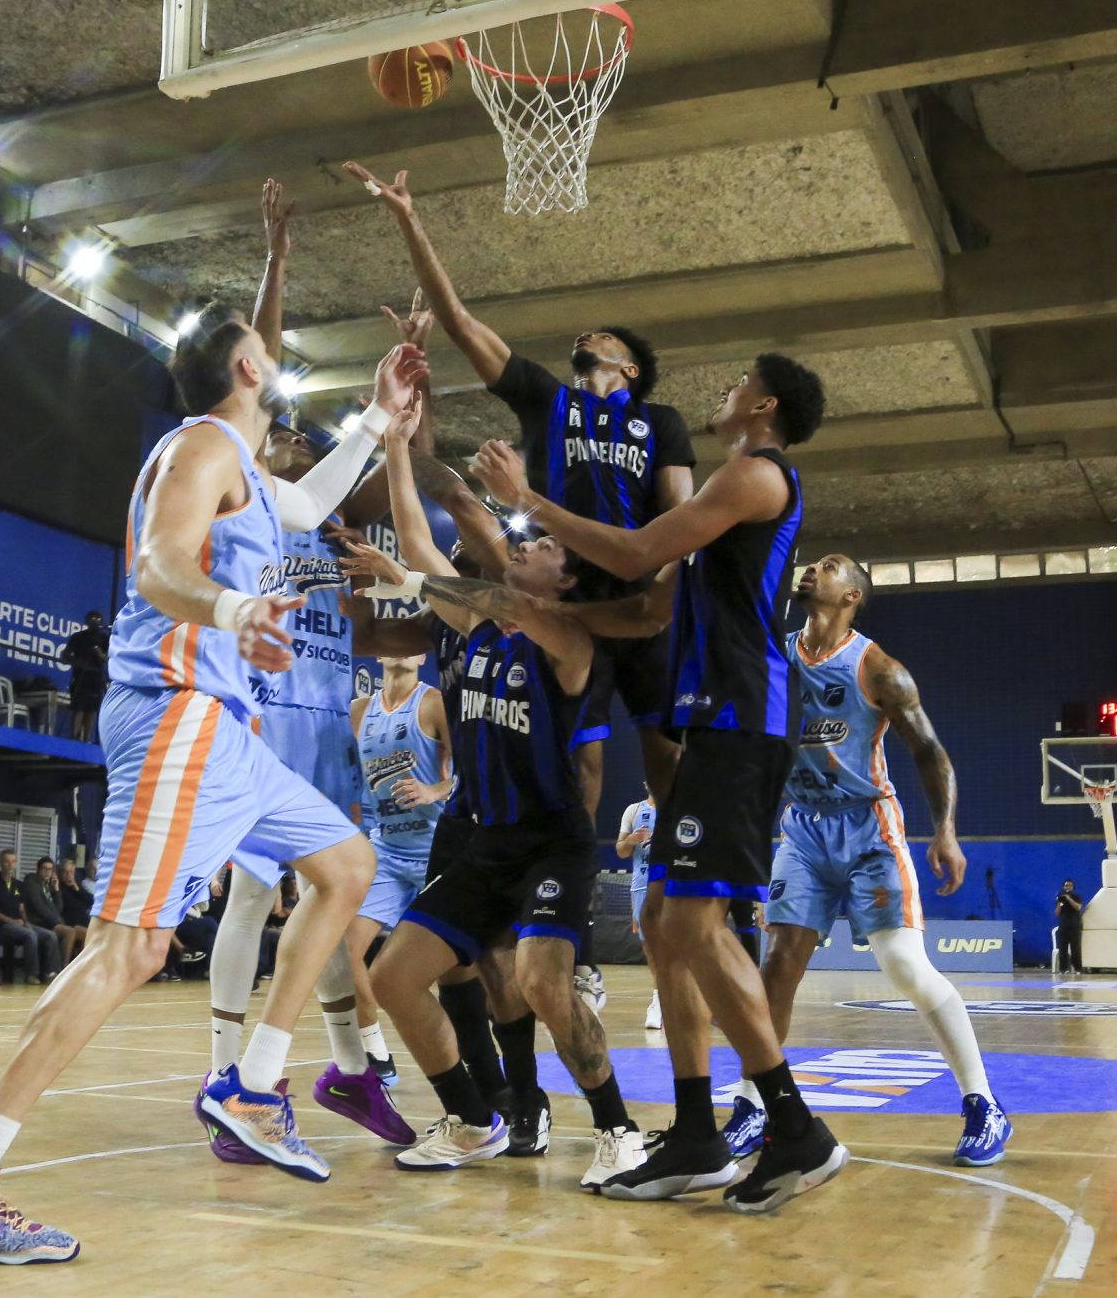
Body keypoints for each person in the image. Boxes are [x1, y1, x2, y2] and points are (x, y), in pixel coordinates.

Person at [0, 275, 421, 1264]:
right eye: (268, 348)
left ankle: (251, 1084)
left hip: (228, 734)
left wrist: (374, 422)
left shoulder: (253, 477)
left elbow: (306, 502)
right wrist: (232, 611)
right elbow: (155, 567)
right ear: (246, 366)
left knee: (346, 869)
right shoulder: (201, 446)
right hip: (179, 718)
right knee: (127, 951)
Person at [473, 351, 842, 1214]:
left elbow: (639, 551)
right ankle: (695, 1131)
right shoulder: (724, 495)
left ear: (767, 404)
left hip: (745, 717)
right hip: (709, 716)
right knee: (659, 921)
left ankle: (794, 1128)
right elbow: (649, 608)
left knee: (687, 919)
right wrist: (550, 614)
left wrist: (527, 498)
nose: (724, 389)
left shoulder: (756, 473)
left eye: (738, 381)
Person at [345, 403, 643, 1190]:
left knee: (542, 983)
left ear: (566, 577)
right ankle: (472, 1118)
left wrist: (412, 576)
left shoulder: (570, 639)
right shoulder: (471, 624)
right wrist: (397, 449)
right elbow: (416, 541)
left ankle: (618, 1128)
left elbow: (487, 592)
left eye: (541, 545)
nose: (524, 546)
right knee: (393, 977)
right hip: (484, 840)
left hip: (553, 840)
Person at [345, 163, 696, 826]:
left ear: (631, 366)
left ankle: (683, 883)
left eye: (602, 337)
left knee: (663, 753)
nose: (583, 339)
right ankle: (566, 877)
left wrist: (663, 603)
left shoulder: (662, 423)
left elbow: (680, 525)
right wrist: (407, 217)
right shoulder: (547, 398)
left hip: (632, 603)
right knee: (580, 759)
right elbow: (460, 320)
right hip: (556, 591)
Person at [205, 182, 405, 1133]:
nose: (287, 435)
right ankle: (225, 1068)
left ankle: (352, 1063)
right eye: (280, 434)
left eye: (292, 436)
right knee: (253, 892)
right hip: (262, 715)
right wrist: (277, 262)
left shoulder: (327, 530)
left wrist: (398, 403)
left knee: (334, 887)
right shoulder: (240, 491)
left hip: (328, 729)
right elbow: (261, 372)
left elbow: (393, 453)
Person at [752, 555, 1008, 1167]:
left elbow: (931, 752)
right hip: (804, 828)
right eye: (812, 563)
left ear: (853, 596)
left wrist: (945, 831)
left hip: (868, 825)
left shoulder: (880, 669)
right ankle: (751, 1103)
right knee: (779, 963)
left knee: (904, 966)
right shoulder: (776, 652)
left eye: (831, 567)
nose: (814, 569)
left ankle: (982, 1102)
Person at [348, 651, 453, 1083]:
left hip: (436, 851)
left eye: (410, 642)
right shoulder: (358, 710)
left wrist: (434, 790)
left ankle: (461, 1056)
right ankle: (375, 1054)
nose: (401, 648)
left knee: (457, 973)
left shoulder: (434, 702)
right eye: (392, 641)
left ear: (422, 654)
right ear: (376, 651)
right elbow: (356, 787)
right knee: (344, 952)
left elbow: (472, 773)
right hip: (386, 853)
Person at [616, 786, 662, 1031]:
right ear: (644, 783)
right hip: (642, 886)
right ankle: (659, 999)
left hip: (672, 885)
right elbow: (620, 850)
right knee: (651, 946)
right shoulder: (634, 811)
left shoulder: (677, 808)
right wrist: (632, 839)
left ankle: (681, 997)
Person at [0, 851, 59, 984]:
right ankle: (31, 974)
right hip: (3, 926)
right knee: (30, 935)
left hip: (21, 924)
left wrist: (25, 921)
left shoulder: (19, 884)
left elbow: (22, 908)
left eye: (13, 861)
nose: (10, 865)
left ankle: (50, 973)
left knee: (50, 935)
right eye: (7, 861)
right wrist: (11, 921)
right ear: (0, 863)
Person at [27, 858, 85, 966]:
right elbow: (40, 909)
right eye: (44, 869)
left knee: (86, 934)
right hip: (40, 922)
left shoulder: (49, 886)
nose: (47, 872)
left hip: (53, 921)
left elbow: (58, 908)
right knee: (70, 931)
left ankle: (76, 967)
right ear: (38, 870)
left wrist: (56, 889)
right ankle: (63, 968)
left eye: (50, 870)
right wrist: (58, 921)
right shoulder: (32, 884)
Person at [62, 612, 110, 741]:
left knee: (91, 711)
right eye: (92, 619)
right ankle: (75, 738)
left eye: (97, 619)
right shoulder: (77, 637)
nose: (95, 622)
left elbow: (107, 659)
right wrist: (77, 662)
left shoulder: (105, 639)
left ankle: (86, 740)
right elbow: (66, 655)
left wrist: (97, 651)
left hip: (96, 677)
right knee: (79, 708)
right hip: (80, 676)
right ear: (87, 621)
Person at [1055, 879, 1085, 974]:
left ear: (1073, 887)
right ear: (1063, 887)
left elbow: (1078, 907)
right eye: (1066, 886)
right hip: (1064, 925)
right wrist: (1060, 903)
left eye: (1070, 886)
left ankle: (1077, 968)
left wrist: (1069, 898)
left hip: (1074, 925)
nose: (1068, 888)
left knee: (1075, 948)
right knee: (1062, 947)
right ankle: (1063, 968)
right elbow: (1057, 913)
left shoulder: (1076, 896)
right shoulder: (1060, 897)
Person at [57, 860, 94, 930]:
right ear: (60, 873)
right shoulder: (58, 888)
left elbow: (91, 900)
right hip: (72, 924)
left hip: (86, 924)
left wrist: (77, 889)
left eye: (71, 872)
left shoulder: (77, 886)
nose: (68, 875)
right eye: (65, 872)